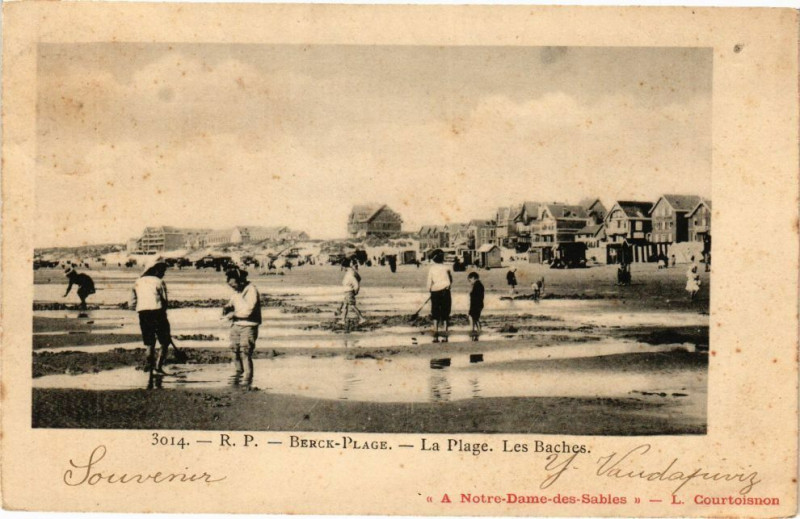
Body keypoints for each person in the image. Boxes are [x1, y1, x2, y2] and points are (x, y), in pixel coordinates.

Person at [129, 257, 172, 376]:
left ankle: (150, 367)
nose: (163, 273)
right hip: (158, 313)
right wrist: (164, 314)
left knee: (149, 342)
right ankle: (158, 366)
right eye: (163, 271)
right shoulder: (159, 282)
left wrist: (140, 307)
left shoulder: (137, 281)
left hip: (143, 313)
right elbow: (164, 301)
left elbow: (132, 302)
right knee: (165, 341)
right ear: (156, 270)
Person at [222, 268, 262, 385]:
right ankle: (238, 373)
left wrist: (233, 314)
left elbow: (248, 310)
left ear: (241, 281)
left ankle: (248, 379)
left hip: (249, 325)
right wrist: (227, 307)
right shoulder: (237, 291)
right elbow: (232, 302)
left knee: (245, 352)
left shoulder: (251, 290)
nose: (233, 288)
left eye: (234, 285)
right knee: (234, 350)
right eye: (231, 286)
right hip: (236, 325)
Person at [427, 252, 453, 342]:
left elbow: (429, 281)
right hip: (445, 290)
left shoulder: (432, 269)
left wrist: (429, 289)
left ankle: (435, 329)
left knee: (435, 310)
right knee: (445, 309)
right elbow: (451, 279)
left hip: (435, 291)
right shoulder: (446, 268)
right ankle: (445, 328)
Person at [336, 258, 366, 328]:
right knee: (345, 306)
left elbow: (356, 283)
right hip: (347, 292)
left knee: (352, 306)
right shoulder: (350, 272)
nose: (342, 269)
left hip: (349, 292)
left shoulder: (350, 274)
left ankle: (361, 318)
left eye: (342, 267)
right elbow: (358, 279)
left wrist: (356, 291)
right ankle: (343, 320)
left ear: (344, 267)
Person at [467, 272, 484, 340]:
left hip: (476, 304)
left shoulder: (477, 285)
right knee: (475, 318)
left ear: (473, 278)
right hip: (478, 304)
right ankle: (477, 330)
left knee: (472, 317)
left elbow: (475, 295)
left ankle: (474, 329)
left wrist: (471, 293)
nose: (470, 282)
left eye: (470, 280)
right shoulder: (478, 284)